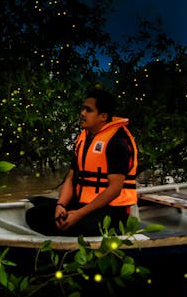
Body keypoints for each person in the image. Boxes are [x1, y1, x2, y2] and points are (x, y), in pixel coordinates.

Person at [26, 88, 138, 236]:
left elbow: (114, 189)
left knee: (73, 227)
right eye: (83, 108)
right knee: (33, 215)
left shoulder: (118, 142)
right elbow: (71, 178)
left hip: (112, 210)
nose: (82, 113)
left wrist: (79, 214)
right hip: (82, 204)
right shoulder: (84, 138)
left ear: (103, 116)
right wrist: (61, 205)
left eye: (89, 110)